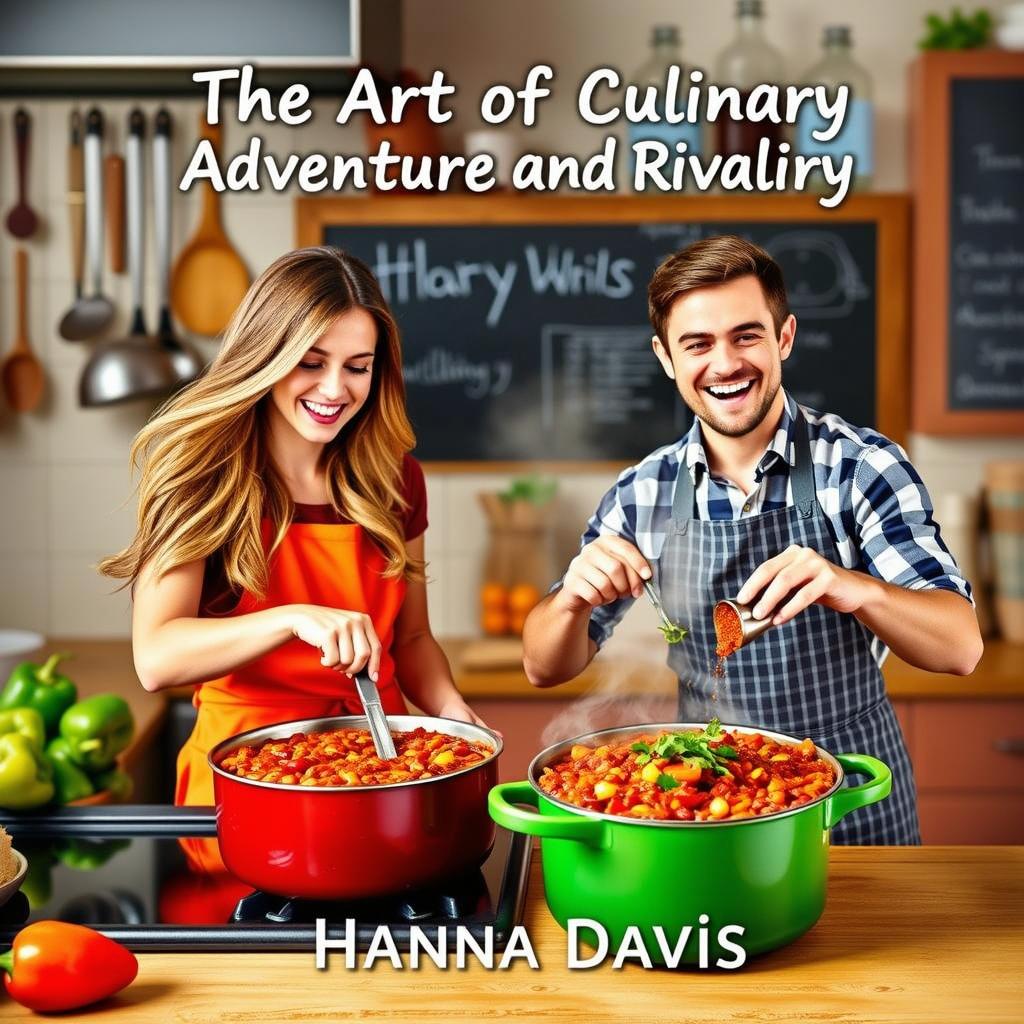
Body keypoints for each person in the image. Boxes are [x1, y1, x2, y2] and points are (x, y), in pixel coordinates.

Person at [522, 235, 982, 845]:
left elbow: (961, 647)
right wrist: (571, 601)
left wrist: (850, 587)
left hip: (850, 797)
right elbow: (542, 666)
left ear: (783, 337)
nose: (725, 363)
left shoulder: (860, 467)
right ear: (666, 358)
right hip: (706, 801)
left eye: (746, 336)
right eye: (698, 344)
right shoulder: (645, 492)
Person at [101, 246, 485, 871]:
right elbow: (157, 657)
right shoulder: (201, 475)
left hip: (380, 770)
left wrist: (449, 712)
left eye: (358, 367)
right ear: (265, 357)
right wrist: (292, 618)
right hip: (250, 784)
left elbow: (411, 638)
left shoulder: (395, 479)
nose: (335, 389)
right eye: (311, 363)